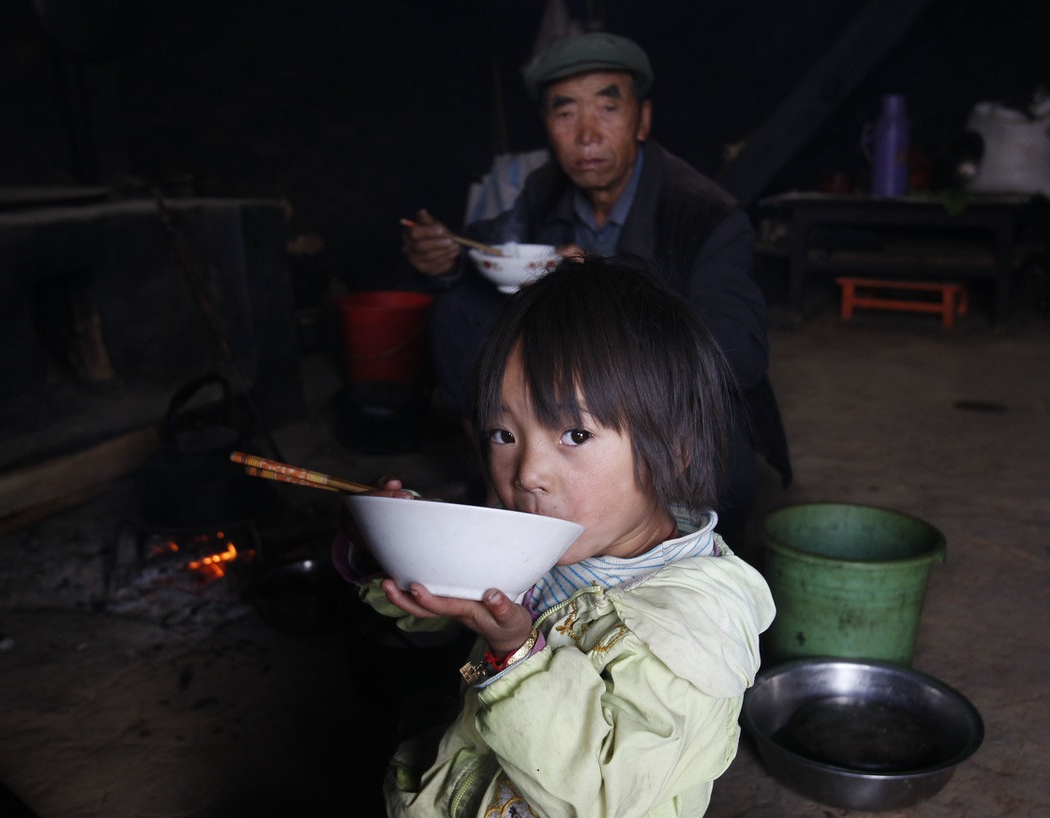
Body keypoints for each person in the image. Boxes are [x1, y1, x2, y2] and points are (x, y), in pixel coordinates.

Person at [334, 255, 776, 817]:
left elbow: (599, 800)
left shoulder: (697, 627)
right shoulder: (547, 539)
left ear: (677, 448)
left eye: (574, 432)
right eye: (503, 432)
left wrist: (516, 653)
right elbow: (440, 597)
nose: (527, 474)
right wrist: (385, 538)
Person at [402, 31, 791, 536]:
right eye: (565, 114)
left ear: (642, 120)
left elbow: (740, 355)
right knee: (458, 309)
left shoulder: (705, 216)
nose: (586, 134)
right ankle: (502, 485)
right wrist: (445, 256)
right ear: (548, 126)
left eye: (607, 109)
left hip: (665, 422)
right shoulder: (547, 188)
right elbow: (493, 244)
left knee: (700, 487)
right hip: (565, 409)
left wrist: (607, 286)